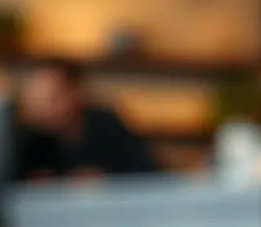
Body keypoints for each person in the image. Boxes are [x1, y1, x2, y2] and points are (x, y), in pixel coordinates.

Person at [13, 57, 156, 181]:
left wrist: (108, 181)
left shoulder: (107, 127)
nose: (42, 110)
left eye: (52, 99)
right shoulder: (27, 140)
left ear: (77, 92)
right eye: (35, 102)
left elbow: (145, 178)